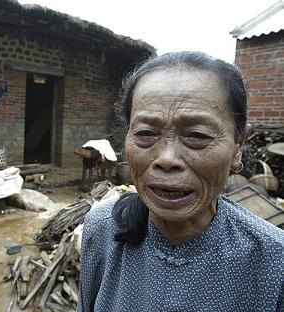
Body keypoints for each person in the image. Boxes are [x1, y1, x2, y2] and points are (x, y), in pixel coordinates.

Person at [77, 51, 284, 311]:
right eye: (145, 133)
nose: (167, 159)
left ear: (238, 144)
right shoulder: (102, 231)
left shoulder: (274, 261)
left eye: (197, 135)